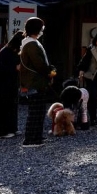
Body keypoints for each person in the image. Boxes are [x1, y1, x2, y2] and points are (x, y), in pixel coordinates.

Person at [19, 17, 56, 148]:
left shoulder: (31, 42)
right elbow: (39, 64)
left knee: (38, 110)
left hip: (36, 81)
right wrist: (49, 71)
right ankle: (30, 139)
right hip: (35, 82)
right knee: (35, 112)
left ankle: (36, 137)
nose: (42, 30)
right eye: (41, 28)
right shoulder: (31, 44)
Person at [0, 31, 25, 139]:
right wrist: (15, 68)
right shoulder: (5, 52)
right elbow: (0, 69)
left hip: (12, 82)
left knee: (13, 105)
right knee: (4, 106)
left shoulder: (12, 51)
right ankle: (0, 132)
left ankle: (12, 128)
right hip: (4, 82)